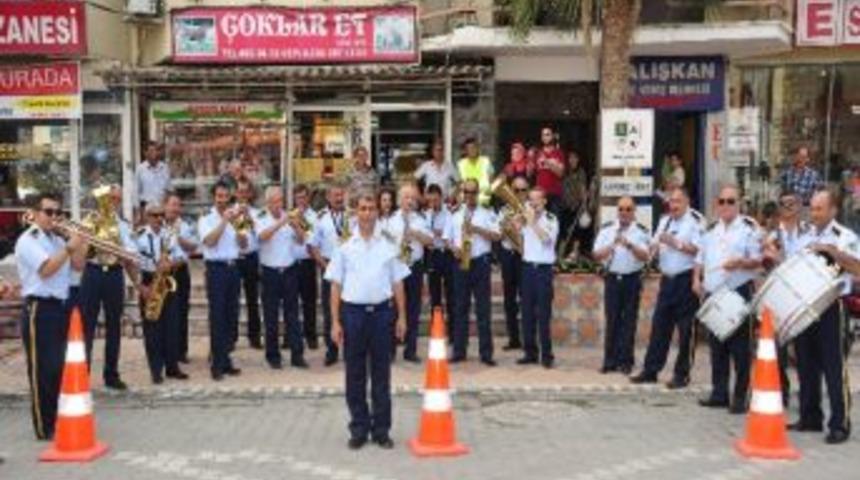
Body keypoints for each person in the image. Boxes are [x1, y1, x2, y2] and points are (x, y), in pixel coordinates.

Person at [325, 190, 408, 450]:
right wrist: (335, 322)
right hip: (354, 316)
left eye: (371, 208)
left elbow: (398, 284)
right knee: (355, 375)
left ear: (377, 212)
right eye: (362, 208)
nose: (367, 212)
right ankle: (359, 428)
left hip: (383, 315)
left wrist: (402, 317)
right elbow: (335, 286)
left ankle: (381, 430)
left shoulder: (389, 245)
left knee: (381, 374)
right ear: (356, 212)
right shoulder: (344, 247)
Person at [788, 189, 860, 444]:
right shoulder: (805, 235)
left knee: (833, 367)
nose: (814, 213)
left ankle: (839, 424)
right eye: (813, 208)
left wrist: (831, 251)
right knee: (806, 365)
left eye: (819, 209)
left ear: (833, 210)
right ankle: (810, 417)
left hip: (831, 306)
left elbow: (857, 269)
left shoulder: (844, 236)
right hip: (806, 306)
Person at [16, 193, 87, 440]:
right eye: (49, 212)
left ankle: (57, 418)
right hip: (39, 309)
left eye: (58, 212)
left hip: (60, 307)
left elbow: (78, 265)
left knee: (58, 368)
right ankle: (43, 426)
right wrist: (69, 246)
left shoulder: (58, 240)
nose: (54, 217)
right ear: (35, 213)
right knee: (41, 371)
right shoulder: (28, 240)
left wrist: (82, 241)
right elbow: (46, 270)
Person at [692, 186, 762, 414]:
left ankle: (740, 396)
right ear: (716, 204)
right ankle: (719, 393)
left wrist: (740, 262)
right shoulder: (711, 230)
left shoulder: (749, 229)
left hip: (737, 291)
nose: (725, 206)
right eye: (721, 201)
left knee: (740, 348)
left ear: (739, 203)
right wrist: (697, 280)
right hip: (714, 292)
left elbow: (758, 261)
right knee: (717, 346)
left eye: (730, 201)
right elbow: (700, 258)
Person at [631, 188, 703, 388]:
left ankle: (682, 374)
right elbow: (654, 244)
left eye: (678, 201)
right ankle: (651, 370)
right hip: (667, 279)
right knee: (660, 326)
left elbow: (699, 249)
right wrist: (651, 250)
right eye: (671, 201)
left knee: (686, 331)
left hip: (686, 280)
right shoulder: (665, 220)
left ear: (687, 201)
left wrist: (676, 243)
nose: (674, 205)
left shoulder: (695, 221)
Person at [80, 184, 140, 391]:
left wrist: (137, 283)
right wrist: (90, 237)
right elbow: (80, 253)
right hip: (93, 273)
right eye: (111, 198)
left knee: (114, 325)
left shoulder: (122, 225)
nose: (114, 203)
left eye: (117, 199)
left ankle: (111, 375)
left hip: (114, 274)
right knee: (86, 326)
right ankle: (82, 374)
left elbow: (131, 255)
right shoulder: (89, 220)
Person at [444, 179, 501, 365]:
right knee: (460, 308)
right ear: (462, 193)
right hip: (461, 263)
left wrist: (476, 229)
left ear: (478, 193)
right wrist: (454, 249)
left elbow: (497, 236)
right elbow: (447, 239)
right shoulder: (454, 215)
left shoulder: (487, 214)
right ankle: (459, 351)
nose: (469, 196)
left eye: (473, 192)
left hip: (481, 263)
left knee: (483, 309)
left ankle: (486, 354)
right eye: (466, 192)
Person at [762, 190, 810, 407]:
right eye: (784, 204)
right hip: (779, 298)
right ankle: (782, 391)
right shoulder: (771, 236)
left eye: (792, 203)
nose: (788, 207)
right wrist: (768, 256)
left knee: (804, 351)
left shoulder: (808, 233)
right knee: (778, 351)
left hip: (802, 297)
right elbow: (765, 265)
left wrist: (781, 258)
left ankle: (808, 396)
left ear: (799, 206)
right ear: (779, 208)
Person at [592, 197, 651, 374]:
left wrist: (630, 245)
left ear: (634, 212)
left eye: (628, 209)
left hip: (632, 279)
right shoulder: (607, 229)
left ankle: (626, 361)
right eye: (621, 209)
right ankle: (609, 361)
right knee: (612, 320)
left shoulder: (641, 231)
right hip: (612, 279)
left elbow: (645, 256)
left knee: (629, 322)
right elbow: (596, 254)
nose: (624, 213)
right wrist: (611, 247)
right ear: (617, 211)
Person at [256, 186, 309, 369]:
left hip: (289, 271)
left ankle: (297, 355)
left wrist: (296, 227)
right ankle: (273, 355)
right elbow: (262, 237)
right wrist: (281, 223)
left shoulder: (291, 216)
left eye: (281, 200)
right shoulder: (261, 217)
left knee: (293, 315)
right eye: (276, 201)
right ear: (268, 202)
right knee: (270, 317)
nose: (280, 204)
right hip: (270, 272)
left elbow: (303, 240)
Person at [135, 203, 188, 384]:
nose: (159, 218)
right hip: (149, 281)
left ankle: (172, 367)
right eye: (154, 215)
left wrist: (171, 264)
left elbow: (183, 257)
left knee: (172, 327)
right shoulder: (139, 237)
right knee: (152, 330)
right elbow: (133, 263)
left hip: (167, 281)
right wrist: (141, 286)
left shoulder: (169, 234)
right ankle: (156, 370)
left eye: (161, 215)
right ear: (146, 216)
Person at [198, 182, 244, 381]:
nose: (222, 199)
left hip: (233, 269)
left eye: (225, 196)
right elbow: (209, 242)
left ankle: (225, 359)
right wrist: (224, 222)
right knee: (217, 318)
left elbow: (244, 244)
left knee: (231, 317)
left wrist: (241, 226)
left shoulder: (236, 217)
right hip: (216, 270)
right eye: (219, 196)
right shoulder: (206, 218)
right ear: (214, 197)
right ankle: (217, 365)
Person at [311, 183, 356, 366]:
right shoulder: (320, 218)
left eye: (340, 194)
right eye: (335, 195)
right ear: (328, 197)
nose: (338, 198)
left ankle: (349, 349)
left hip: (350, 270)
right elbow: (313, 246)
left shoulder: (352, 216)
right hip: (328, 267)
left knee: (349, 311)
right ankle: (332, 349)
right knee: (331, 312)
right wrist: (324, 266)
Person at [386, 184, 432, 362]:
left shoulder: (421, 219)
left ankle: (410, 350)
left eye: (413, 198)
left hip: (414, 267)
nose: (410, 201)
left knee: (413, 309)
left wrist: (415, 233)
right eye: (406, 197)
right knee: (394, 309)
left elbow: (430, 241)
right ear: (400, 200)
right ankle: (391, 349)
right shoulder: (391, 220)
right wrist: (399, 242)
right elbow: (385, 243)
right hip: (397, 267)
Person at [514, 187, 560, 368]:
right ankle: (530, 352)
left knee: (543, 313)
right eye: (531, 200)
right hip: (527, 268)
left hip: (543, 270)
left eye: (537, 200)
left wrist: (532, 223)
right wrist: (517, 226)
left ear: (544, 201)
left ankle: (547, 355)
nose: (533, 203)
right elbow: (520, 242)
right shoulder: (526, 219)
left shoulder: (551, 219)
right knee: (526, 313)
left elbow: (547, 241)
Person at [164, 192, 197, 364]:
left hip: (181, 270)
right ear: (165, 206)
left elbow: (193, 247)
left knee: (182, 311)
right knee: (166, 312)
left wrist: (179, 237)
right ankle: (166, 350)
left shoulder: (185, 225)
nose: (176, 208)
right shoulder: (158, 224)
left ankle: (181, 352)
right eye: (172, 204)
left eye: (178, 205)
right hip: (163, 272)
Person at [497, 176, 529, 351]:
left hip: (524, 257)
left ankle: (529, 339)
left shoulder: (531, 210)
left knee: (526, 298)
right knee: (509, 299)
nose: (520, 194)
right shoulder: (504, 211)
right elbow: (499, 234)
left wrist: (521, 225)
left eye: (523, 190)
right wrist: (507, 227)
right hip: (508, 255)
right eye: (516, 190)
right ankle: (514, 339)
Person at [234, 180, 262, 350]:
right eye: (240, 192)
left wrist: (248, 217)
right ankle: (232, 337)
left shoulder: (258, 213)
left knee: (253, 299)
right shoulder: (230, 212)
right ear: (236, 194)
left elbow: (260, 234)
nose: (243, 195)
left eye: (246, 192)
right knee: (233, 300)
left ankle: (255, 337)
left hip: (251, 258)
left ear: (250, 194)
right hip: (235, 259)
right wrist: (237, 216)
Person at [290, 184, 319, 350]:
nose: (301, 200)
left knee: (309, 302)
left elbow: (308, 239)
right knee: (291, 302)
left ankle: (311, 336)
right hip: (292, 263)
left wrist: (299, 222)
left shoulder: (314, 217)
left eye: (303, 197)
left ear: (308, 198)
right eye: (298, 197)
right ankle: (290, 336)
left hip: (307, 262)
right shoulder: (288, 215)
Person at [423, 184, 455, 334]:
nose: (433, 204)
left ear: (441, 198)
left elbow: (447, 235)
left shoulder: (449, 213)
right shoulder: (426, 214)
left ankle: (454, 334)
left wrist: (436, 232)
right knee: (434, 296)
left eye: (436, 200)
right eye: (431, 201)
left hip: (446, 254)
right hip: (433, 254)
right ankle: (437, 330)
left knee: (451, 294)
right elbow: (426, 234)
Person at [559, 150, 589, 259]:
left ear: (578, 159)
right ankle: (561, 254)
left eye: (574, 158)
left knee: (577, 231)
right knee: (564, 230)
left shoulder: (581, 172)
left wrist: (584, 205)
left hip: (577, 206)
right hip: (565, 205)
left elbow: (583, 189)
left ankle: (575, 253)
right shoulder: (564, 172)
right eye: (570, 158)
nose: (572, 160)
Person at [534, 127, 566, 215]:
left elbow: (560, 174)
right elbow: (533, 173)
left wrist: (548, 162)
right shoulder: (538, 153)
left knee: (554, 222)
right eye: (543, 135)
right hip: (540, 194)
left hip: (554, 194)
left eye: (548, 134)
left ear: (552, 136)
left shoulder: (558, 153)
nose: (545, 137)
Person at [457, 138, 494, 206]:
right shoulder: (461, 164)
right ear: (466, 151)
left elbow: (492, 182)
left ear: (477, 148)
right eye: (469, 148)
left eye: (474, 147)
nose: (472, 150)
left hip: (484, 203)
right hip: (467, 203)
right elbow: (459, 185)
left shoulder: (486, 161)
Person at [137, 141, 171, 211]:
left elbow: (168, 189)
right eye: (151, 151)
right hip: (147, 208)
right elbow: (136, 192)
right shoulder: (140, 169)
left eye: (156, 150)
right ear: (145, 153)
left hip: (162, 207)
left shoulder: (164, 168)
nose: (155, 153)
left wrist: (165, 204)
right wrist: (138, 211)